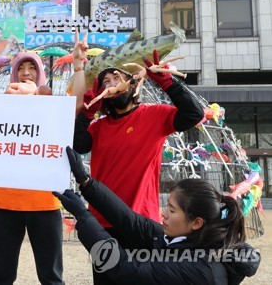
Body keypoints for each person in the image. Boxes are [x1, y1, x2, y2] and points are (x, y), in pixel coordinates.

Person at [71, 34, 204, 283]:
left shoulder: (154, 115)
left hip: (142, 223)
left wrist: (167, 82)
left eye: (116, 77)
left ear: (132, 84)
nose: (110, 83)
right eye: (105, 82)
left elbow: (193, 115)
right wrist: (86, 115)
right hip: (103, 223)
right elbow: (78, 146)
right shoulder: (98, 127)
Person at [53, 146, 261, 285]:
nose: (164, 214)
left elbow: (122, 268)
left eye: (171, 210)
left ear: (196, 222)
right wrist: (86, 182)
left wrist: (83, 215)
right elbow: (133, 222)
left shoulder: (200, 269)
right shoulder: (191, 240)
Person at [0, 52, 64, 284]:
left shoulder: (53, 102)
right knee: (1, 274)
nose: (26, 73)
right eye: (21, 68)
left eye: (32, 68)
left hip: (46, 202)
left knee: (51, 275)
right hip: (3, 201)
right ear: (14, 73)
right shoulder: (1, 102)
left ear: (41, 73)